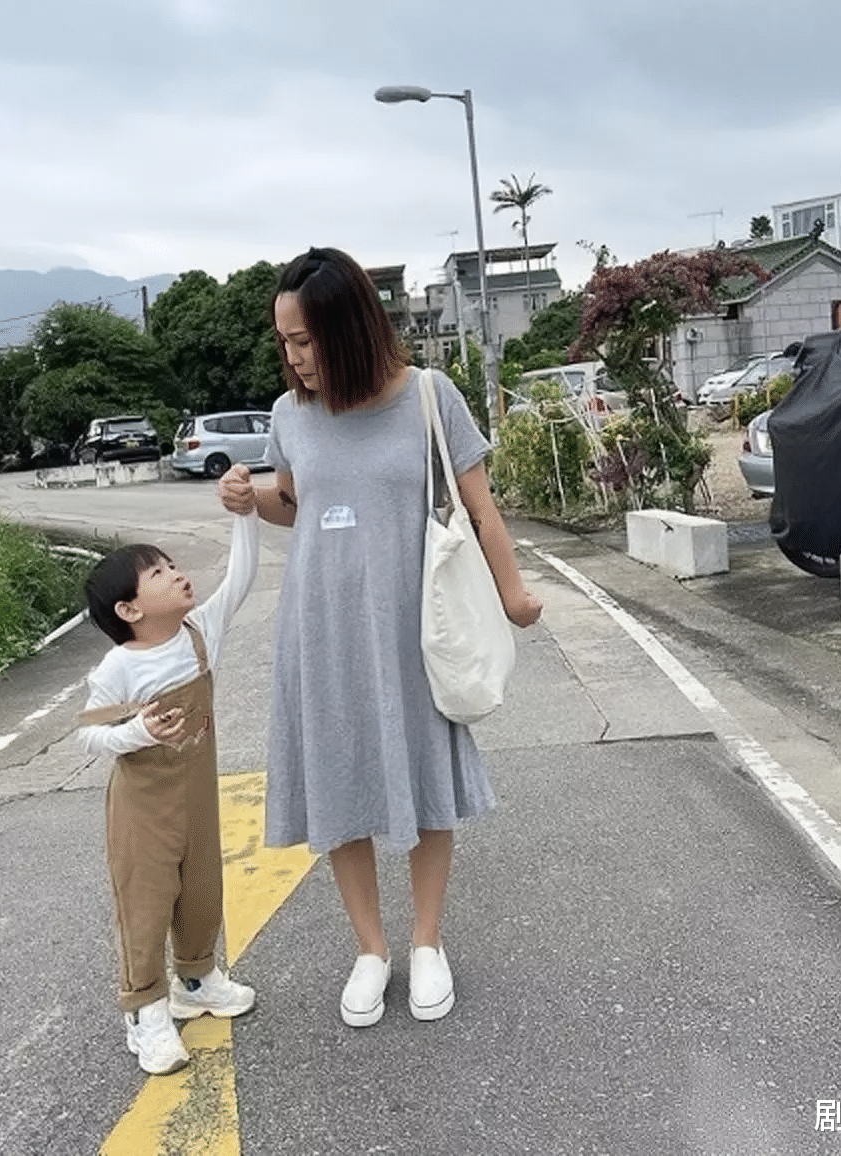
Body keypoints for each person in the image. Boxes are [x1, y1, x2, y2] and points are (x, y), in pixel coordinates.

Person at [218, 246, 541, 1028]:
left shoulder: (428, 396)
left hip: (411, 624)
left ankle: (427, 943)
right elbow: (295, 503)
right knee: (340, 780)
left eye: (305, 341)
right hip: (321, 629)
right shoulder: (290, 415)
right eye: (284, 343)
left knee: (425, 775)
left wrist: (514, 594)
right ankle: (372, 950)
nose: (293, 358)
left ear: (350, 327)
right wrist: (246, 495)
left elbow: (481, 507)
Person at [76, 515, 259, 1074]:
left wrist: (245, 512)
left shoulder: (199, 632)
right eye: (159, 572)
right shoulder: (118, 668)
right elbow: (89, 734)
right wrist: (139, 732)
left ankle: (199, 980)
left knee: (203, 889)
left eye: (173, 566)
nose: (177, 575)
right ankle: (146, 1014)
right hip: (143, 808)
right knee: (146, 905)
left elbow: (243, 576)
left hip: (198, 794)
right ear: (129, 611)